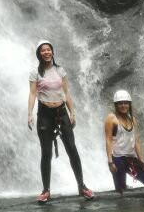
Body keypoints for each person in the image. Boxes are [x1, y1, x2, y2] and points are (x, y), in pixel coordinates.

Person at [27, 40, 94, 203]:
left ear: (53, 52)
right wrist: (29, 114)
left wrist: (73, 112)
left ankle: (82, 186)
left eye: (48, 49)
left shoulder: (60, 70)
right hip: (44, 114)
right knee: (46, 153)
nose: (46, 52)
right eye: (43, 50)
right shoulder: (35, 72)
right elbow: (32, 94)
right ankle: (46, 190)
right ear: (39, 54)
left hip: (61, 112)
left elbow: (67, 93)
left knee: (72, 149)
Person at [104, 89, 144, 192]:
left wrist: (141, 161)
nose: (123, 105)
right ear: (116, 105)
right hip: (117, 159)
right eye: (120, 103)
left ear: (129, 104)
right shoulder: (111, 118)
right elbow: (108, 140)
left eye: (126, 103)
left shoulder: (132, 119)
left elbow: (136, 140)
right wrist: (110, 162)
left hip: (131, 159)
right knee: (121, 190)